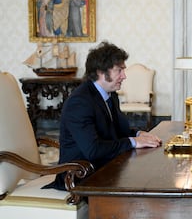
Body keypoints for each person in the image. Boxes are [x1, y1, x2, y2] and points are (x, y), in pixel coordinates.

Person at [46, 41, 162, 191]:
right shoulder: (80, 102)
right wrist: (133, 141)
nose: (124, 76)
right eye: (119, 70)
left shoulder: (110, 94)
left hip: (103, 168)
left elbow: (118, 131)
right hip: (80, 177)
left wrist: (140, 134)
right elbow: (93, 150)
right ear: (101, 72)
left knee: (147, 177)